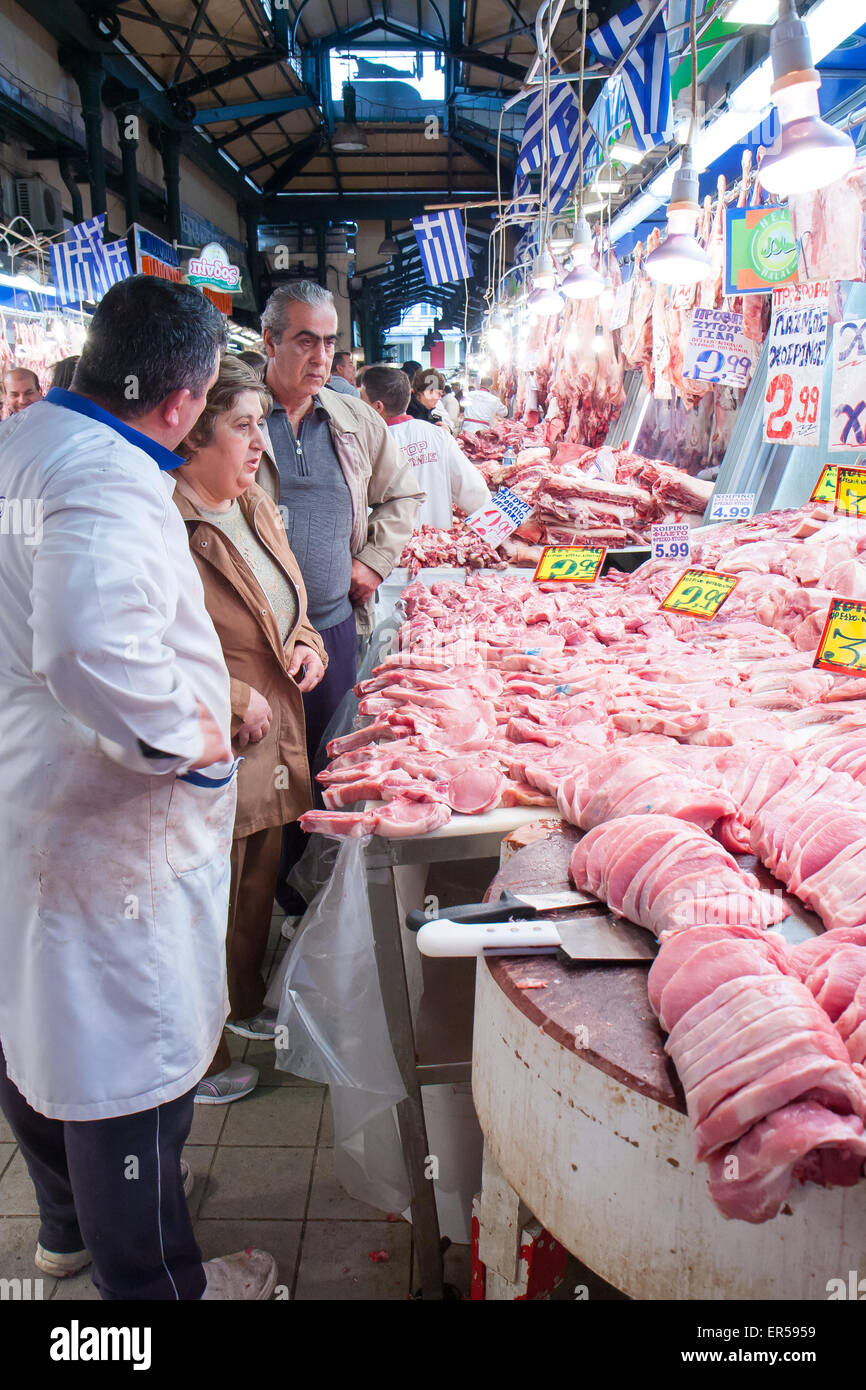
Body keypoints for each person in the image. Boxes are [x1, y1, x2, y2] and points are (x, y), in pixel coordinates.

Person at [0, 275, 277, 1301]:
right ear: (179, 403)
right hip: (101, 833)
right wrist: (194, 742)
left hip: (33, 809)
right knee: (125, 1076)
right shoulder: (107, 477)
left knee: (44, 1034)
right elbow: (85, 648)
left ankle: (68, 1230)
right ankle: (160, 1297)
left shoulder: (24, 441)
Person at [173, 356, 327, 1101]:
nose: (259, 439)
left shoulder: (253, 500)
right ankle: (194, 1057)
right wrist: (232, 695)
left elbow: (290, 596)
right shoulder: (168, 520)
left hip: (273, 734)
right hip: (216, 741)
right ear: (195, 434)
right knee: (206, 900)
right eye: (242, 425)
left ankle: (241, 1004)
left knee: (256, 888)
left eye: (261, 422)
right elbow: (152, 644)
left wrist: (308, 642)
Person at [257, 280, 423, 770]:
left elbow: (403, 493)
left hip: (334, 629)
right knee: (264, 778)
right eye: (306, 341)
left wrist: (374, 561)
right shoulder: (236, 416)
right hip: (257, 641)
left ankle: (324, 850)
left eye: (330, 343)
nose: (321, 357)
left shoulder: (352, 418)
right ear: (270, 341)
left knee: (329, 765)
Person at [361, 365, 490, 530]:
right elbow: (474, 492)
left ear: (377, 407)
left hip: (388, 550)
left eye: (362, 401)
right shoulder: (438, 436)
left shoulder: (370, 445)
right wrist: (497, 532)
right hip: (435, 547)